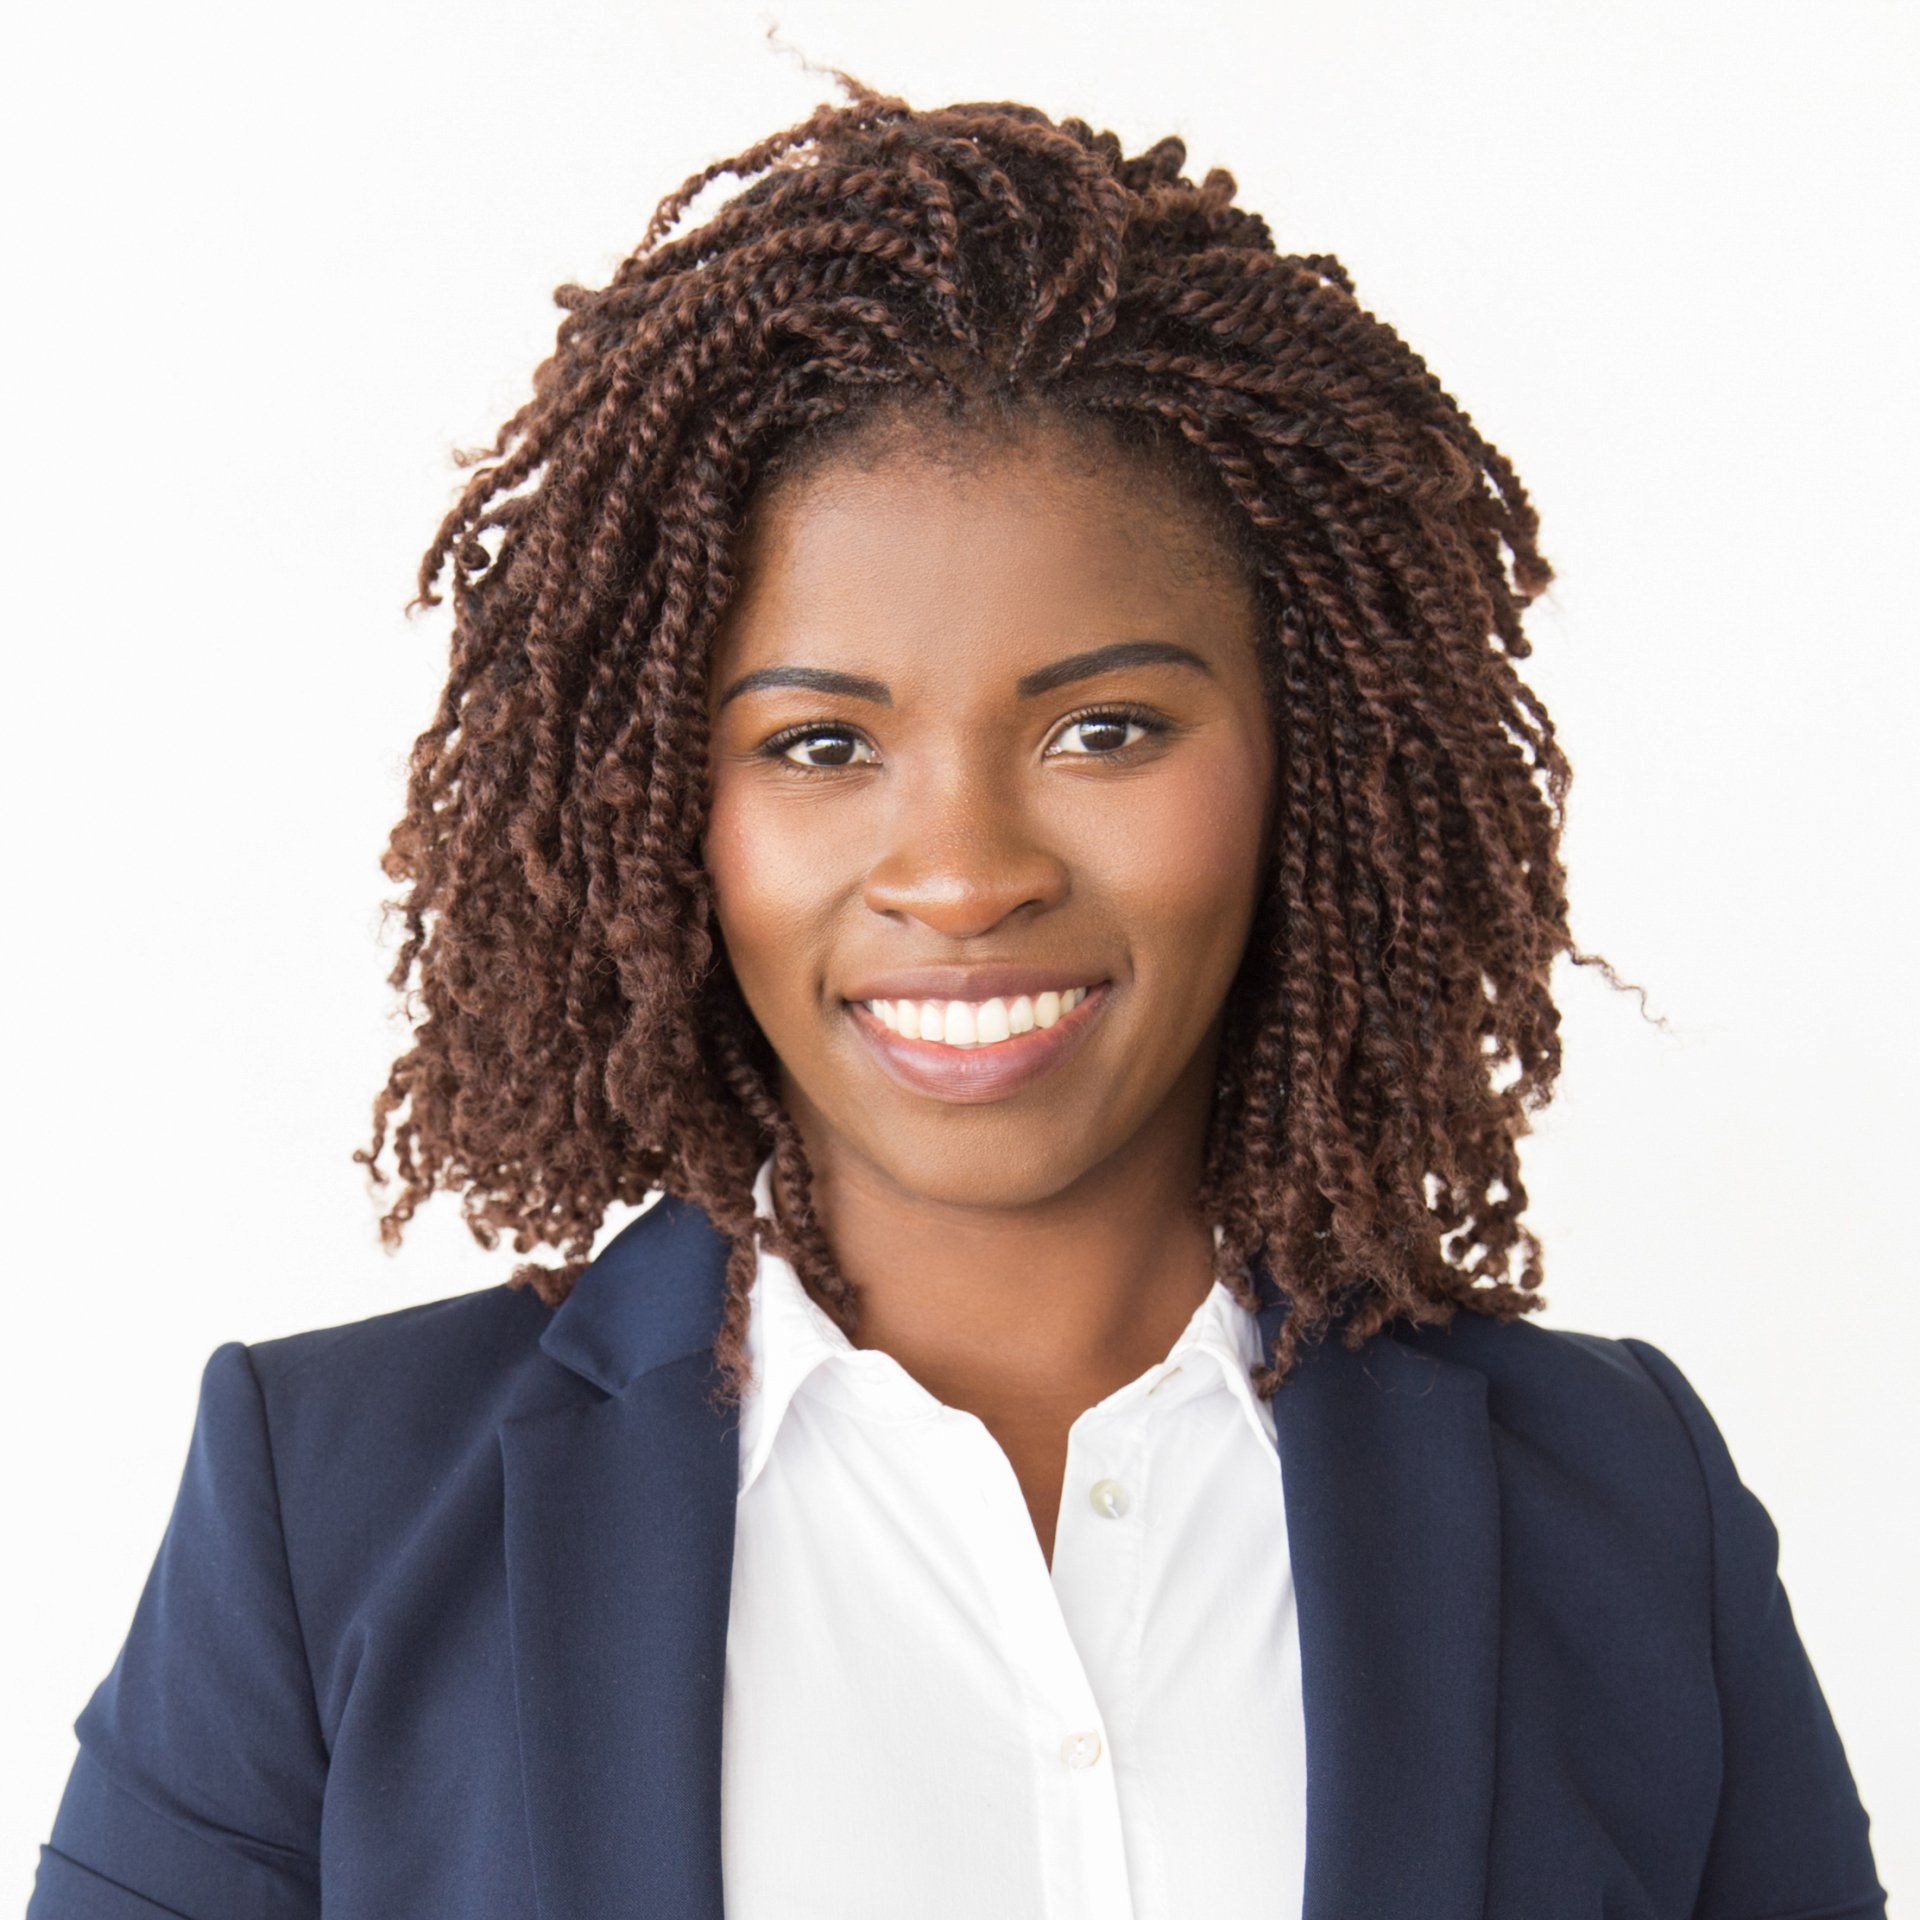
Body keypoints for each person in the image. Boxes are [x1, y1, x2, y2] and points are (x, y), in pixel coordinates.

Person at [28, 75, 1887, 1920]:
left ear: (1308, 764)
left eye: (1105, 728)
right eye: (822, 742)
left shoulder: (1621, 1503)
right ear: (662, 803)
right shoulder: (330, 1505)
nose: (962, 868)